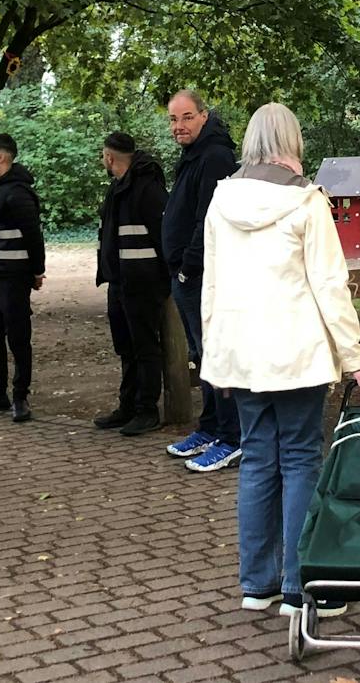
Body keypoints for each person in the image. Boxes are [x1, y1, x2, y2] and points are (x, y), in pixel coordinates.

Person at [201, 102, 360, 617]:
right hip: (296, 354)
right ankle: (306, 588)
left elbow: (211, 288)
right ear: (292, 141)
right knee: (301, 459)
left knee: (258, 460)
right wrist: (357, 357)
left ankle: (258, 586)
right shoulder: (307, 203)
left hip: (241, 355)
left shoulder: (221, 201)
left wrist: (216, 359)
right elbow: (330, 286)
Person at [160, 89, 243, 471]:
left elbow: (207, 217)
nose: (179, 126)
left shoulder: (214, 155)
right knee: (201, 355)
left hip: (201, 273)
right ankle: (210, 427)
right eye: (174, 120)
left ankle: (232, 436)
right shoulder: (192, 155)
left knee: (216, 355)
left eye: (187, 117)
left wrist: (187, 266)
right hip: (186, 273)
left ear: (204, 116)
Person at [93, 132, 170, 437]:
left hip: (142, 283)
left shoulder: (147, 188)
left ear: (110, 157)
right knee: (126, 347)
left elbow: (164, 236)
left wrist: (163, 280)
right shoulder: (117, 189)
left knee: (145, 347)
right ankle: (127, 406)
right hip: (119, 282)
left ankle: (147, 410)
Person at [0, 133, 45, 422]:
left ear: (1, 158)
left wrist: (37, 272)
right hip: (0, 277)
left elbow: (33, 236)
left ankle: (20, 398)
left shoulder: (17, 192)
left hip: (15, 279)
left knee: (18, 338)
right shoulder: (1, 187)